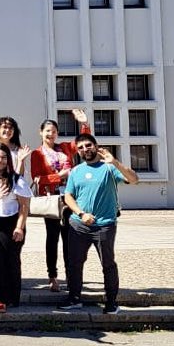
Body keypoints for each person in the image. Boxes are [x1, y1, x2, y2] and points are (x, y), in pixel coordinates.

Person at [60, 133, 139, 315]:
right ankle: (74, 298)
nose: (84, 150)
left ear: (95, 146)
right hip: (79, 224)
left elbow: (134, 179)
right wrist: (80, 213)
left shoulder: (109, 168)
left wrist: (116, 162)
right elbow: (68, 196)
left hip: (105, 225)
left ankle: (111, 302)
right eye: (80, 148)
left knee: (108, 264)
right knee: (74, 263)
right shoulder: (76, 171)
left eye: (88, 145)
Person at [29, 109, 90, 291]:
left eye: (54, 131)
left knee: (70, 238)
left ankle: (71, 275)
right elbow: (37, 178)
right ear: (41, 132)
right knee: (53, 238)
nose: (51, 134)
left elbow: (83, 142)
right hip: (52, 199)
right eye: (47, 130)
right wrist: (59, 176)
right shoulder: (37, 154)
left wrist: (84, 124)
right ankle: (52, 276)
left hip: (70, 197)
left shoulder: (64, 148)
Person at [0, 141, 31, 311]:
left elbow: (24, 206)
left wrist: (20, 227)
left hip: (11, 222)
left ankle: (12, 297)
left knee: (11, 261)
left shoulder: (16, 179)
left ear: (8, 159)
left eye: (3, 157)